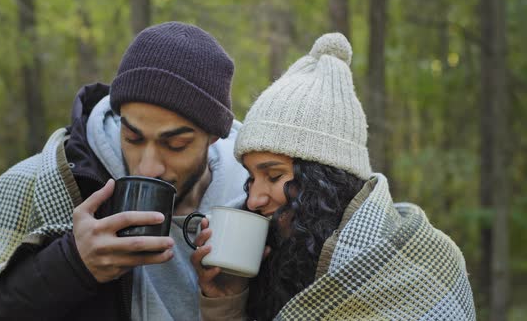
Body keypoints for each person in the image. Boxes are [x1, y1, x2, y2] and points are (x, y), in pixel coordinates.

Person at [0, 21, 248, 321]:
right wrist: (73, 265)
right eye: (133, 138)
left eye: (176, 144)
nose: (148, 166)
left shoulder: (257, 198)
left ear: (214, 135)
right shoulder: (60, 179)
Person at [191, 33, 476, 320]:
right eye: (251, 178)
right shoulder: (284, 265)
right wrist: (227, 302)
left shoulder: (428, 268)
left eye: (274, 176)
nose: (253, 199)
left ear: (325, 179)